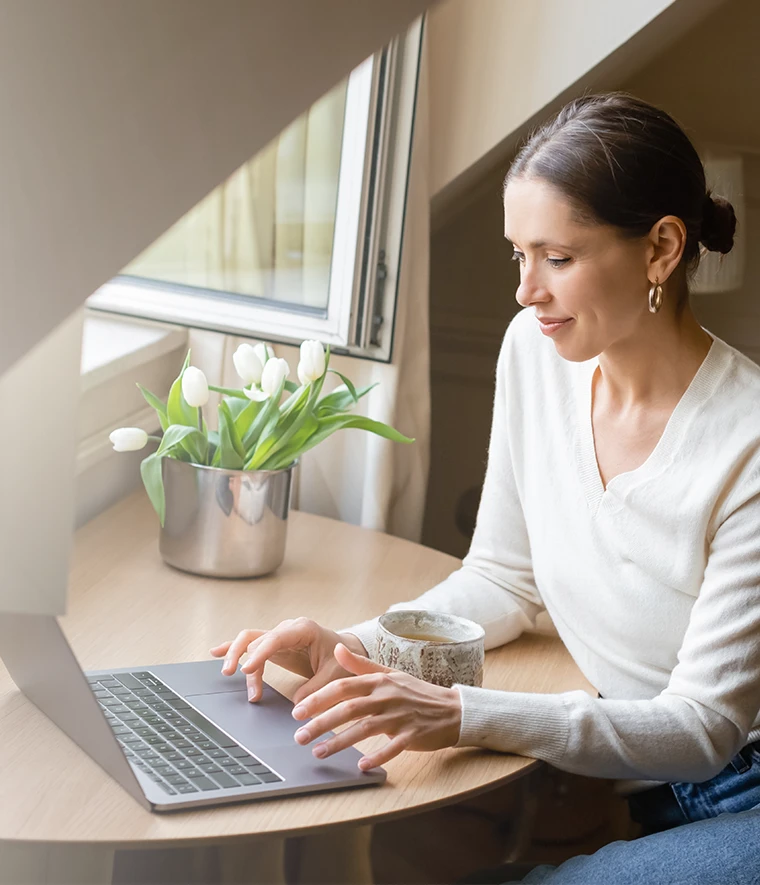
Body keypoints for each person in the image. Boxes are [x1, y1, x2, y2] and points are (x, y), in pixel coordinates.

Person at [211, 92, 760, 847]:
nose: (526, 290)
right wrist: (356, 645)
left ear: (662, 248)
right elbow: (504, 575)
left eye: (557, 259)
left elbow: (708, 728)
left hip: (742, 790)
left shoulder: (747, 442)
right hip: (636, 782)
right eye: (519, 254)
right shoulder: (535, 351)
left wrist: (462, 713)